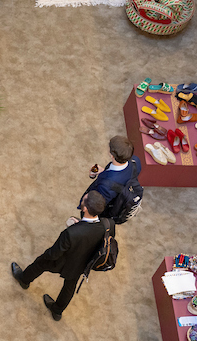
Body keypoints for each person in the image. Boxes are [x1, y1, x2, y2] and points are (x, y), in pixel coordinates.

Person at [11, 192, 108, 321]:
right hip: (81, 264)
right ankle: (57, 311)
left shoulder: (71, 233)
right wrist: (79, 225)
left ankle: (24, 280)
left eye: (84, 199)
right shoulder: (107, 224)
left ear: (85, 209)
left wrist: (75, 228)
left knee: (41, 263)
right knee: (70, 286)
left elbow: (54, 254)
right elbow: (90, 234)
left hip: (63, 262)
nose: (83, 198)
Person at [82, 135, 141, 212]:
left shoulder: (105, 186)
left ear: (111, 155)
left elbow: (98, 205)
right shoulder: (136, 161)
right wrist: (104, 172)